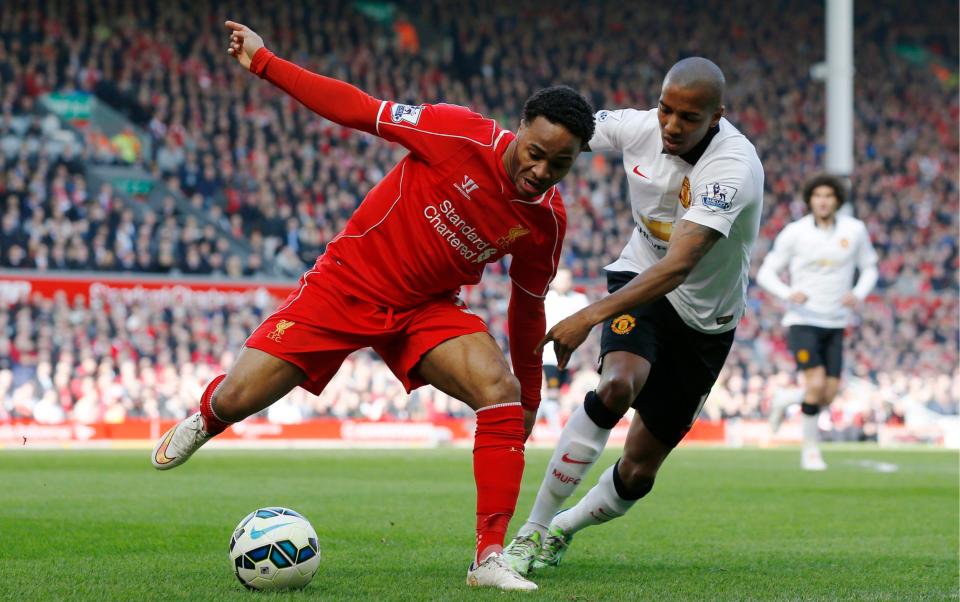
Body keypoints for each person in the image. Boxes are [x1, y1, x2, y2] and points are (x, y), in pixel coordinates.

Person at [151, 20, 595, 592]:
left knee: (498, 391)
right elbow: (357, 109)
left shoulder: (545, 222)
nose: (541, 172)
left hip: (427, 310)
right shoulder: (455, 132)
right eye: (535, 154)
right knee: (238, 399)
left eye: (558, 165)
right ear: (518, 129)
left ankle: (488, 556)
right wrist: (266, 62)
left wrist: (530, 397)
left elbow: (527, 309)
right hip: (346, 284)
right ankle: (208, 416)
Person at [502, 57, 764, 574]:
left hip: (705, 317)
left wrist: (586, 316)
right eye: (666, 109)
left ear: (716, 116)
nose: (671, 124)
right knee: (617, 386)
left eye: (688, 117)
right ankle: (531, 531)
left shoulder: (732, 169)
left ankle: (563, 528)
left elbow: (681, 265)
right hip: (639, 280)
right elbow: (557, 133)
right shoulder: (637, 127)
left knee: (639, 471)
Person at [757, 174, 878, 470]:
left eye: (829, 196)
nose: (823, 201)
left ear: (837, 200)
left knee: (829, 393)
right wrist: (788, 293)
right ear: (810, 200)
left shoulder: (855, 230)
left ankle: (787, 399)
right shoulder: (795, 233)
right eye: (817, 196)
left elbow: (870, 268)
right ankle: (810, 451)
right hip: (803, 320)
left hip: (836, 321)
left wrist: (858, 293)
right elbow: (765, 273)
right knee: (815, 385)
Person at [539, 268, 589, 435]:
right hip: (550, 357)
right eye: (559, 279)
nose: (563, 282)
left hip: (573, 358)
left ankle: (550, 427)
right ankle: (556, 431)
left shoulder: (580, 299)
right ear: (553, 281)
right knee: (552, 392)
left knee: (566, 394)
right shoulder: (545, 299)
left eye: (566, 279)